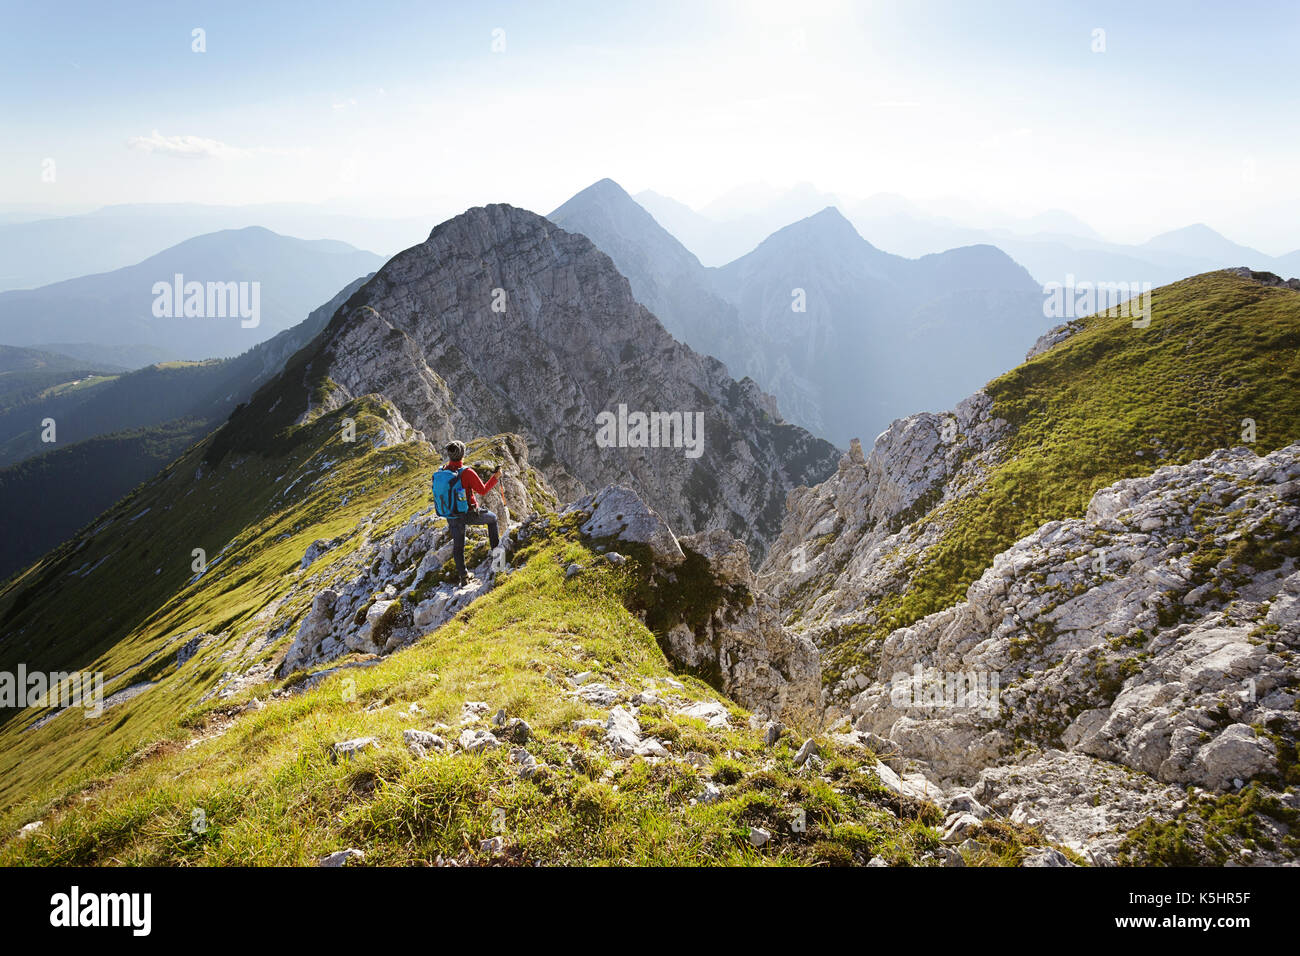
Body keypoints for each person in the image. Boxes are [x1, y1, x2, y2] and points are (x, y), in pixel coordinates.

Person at [438, 440, 502, 587]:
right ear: (463, 454)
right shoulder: (466, 472)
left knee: (458, 546)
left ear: (449, 455)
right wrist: (496, 477)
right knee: (493, 519)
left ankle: (464, 576)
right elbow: (483, 490)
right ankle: (499, 562)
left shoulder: (442, 471)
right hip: (467, 513)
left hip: (451, 513)